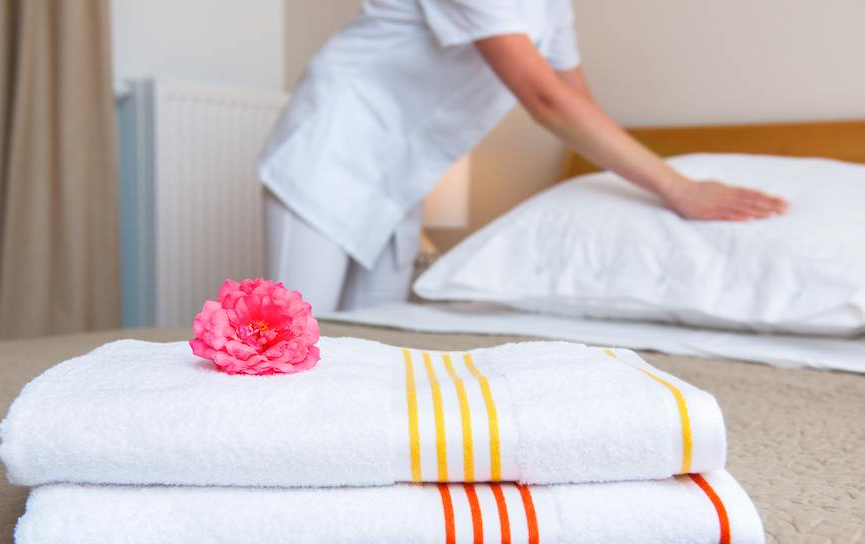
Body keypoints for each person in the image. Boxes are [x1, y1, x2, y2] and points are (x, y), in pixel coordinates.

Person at [258, 0, 787, 315]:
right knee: (296, 339)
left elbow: (577, 103)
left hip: (400, 175)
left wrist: (654, 184)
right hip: (329, 149)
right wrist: (678, 187)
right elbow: (546, 100)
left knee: (369, 347)